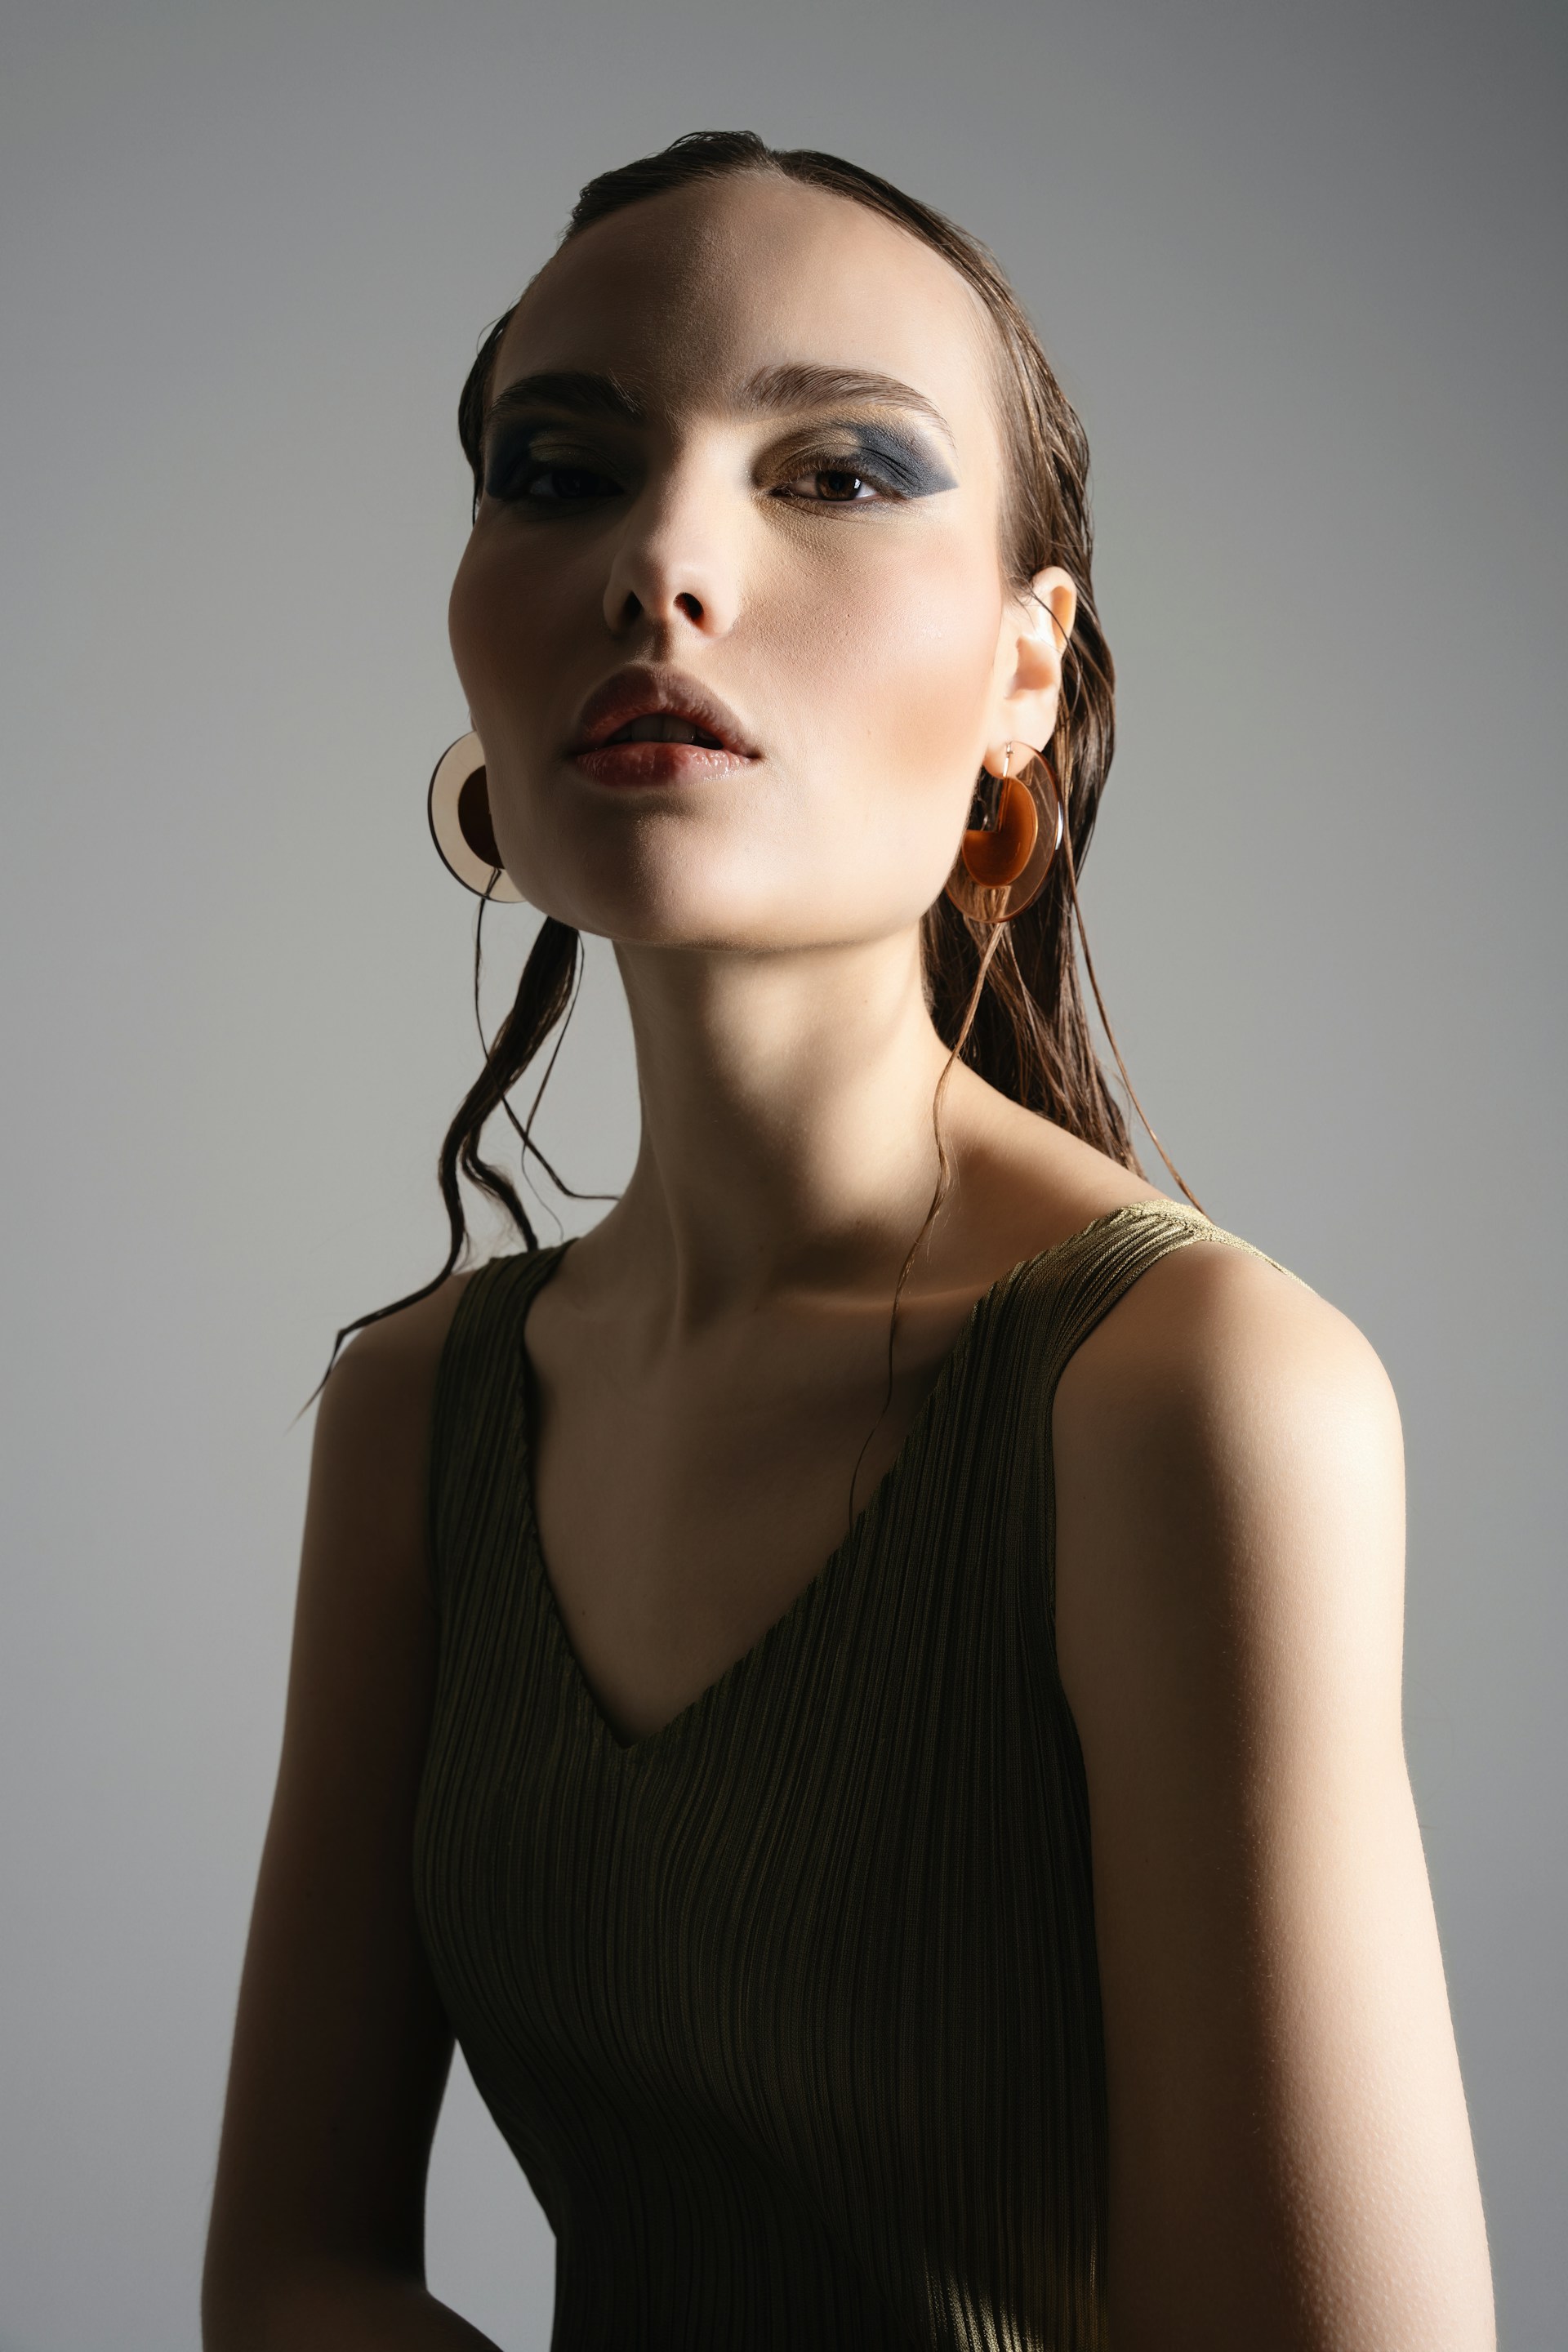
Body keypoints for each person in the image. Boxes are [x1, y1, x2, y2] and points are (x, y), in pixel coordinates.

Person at [202, 132, 1494, 2352]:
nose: (663, 560)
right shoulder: (414, 1415)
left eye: (838, 469)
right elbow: (291, 2277)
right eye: (560, 465)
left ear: (1025, 675)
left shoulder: (1202, 1400)